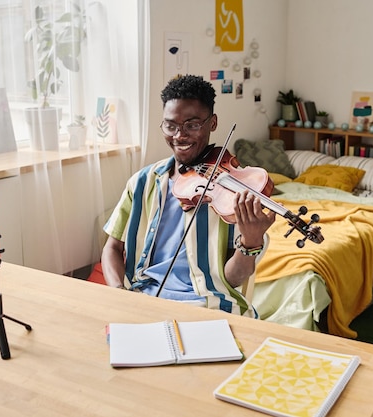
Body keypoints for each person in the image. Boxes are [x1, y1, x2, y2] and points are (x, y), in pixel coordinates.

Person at [101, 74, 275, 318]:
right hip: (142, 299)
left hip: (208, 304)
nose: (179, 136)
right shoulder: (142, 182)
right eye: (170, 125)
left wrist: (250, 242)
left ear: (212, 123)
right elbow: (112, 247)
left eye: (192, 125)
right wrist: (119, 291)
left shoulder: (234, 193)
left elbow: (233, 280)